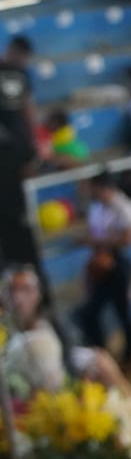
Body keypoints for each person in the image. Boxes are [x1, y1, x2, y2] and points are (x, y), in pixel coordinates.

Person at [2, 265, 131, 396]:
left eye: (26, 289)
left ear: (37, 293)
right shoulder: (6, 333)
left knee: (101, 360)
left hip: (65, 383)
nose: (18, 297)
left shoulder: (52, 321)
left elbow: (70, 355)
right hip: (31, 396)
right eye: (13, 290)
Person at [73, 174, 131, 368]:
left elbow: (128, 240)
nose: (92, 193)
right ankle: (101, 352)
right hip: (99, 261)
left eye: (95, 189)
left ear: (106, 188)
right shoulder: (96, 207)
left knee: (123, 312)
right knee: (89, 313)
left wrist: (95, 242)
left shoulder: (124, 207)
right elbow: (94, 232)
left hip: (118, 263)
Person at [0, 36, 46, 300]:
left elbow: (29, 108)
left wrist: (35, 146)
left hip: (16, 157)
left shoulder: (21, 75)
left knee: (18, 224)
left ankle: (27, 281)